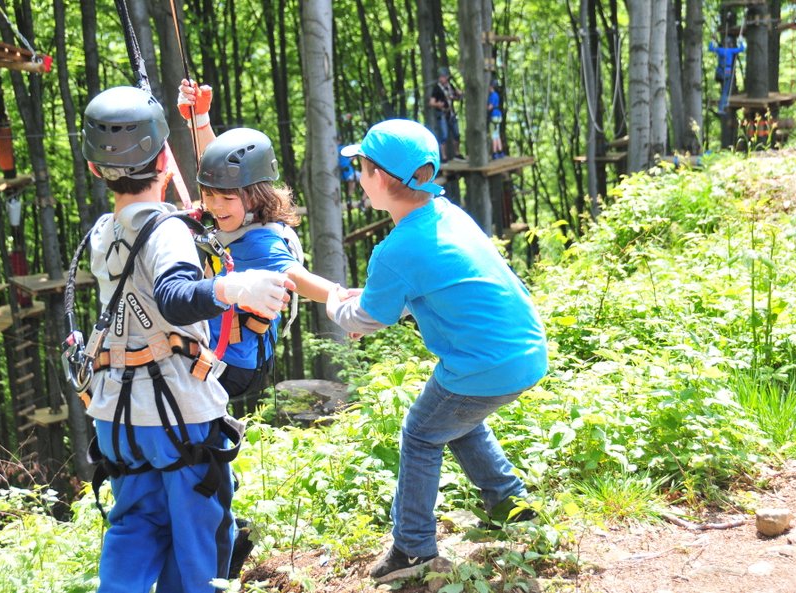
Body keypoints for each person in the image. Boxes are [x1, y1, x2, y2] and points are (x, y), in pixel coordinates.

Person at [80, 85, 294, 593]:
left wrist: (196, 126)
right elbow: (175, 295)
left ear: (94, 169)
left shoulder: (102, 232)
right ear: (162, 159)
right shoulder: (171, 230)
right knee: (199, 538)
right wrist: (232, 286)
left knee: (133, 526)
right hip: (179, 417)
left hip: (116, 414)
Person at [330, 119, 548, 584]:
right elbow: (434, 285)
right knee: (455, 418)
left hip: (485, 363)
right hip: (525, 349)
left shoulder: (395, 250)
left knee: (422, 433)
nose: (357, 175)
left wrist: (336, 304)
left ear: (382, 179)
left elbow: (368, 319)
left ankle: (412, 548)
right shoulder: (446, 214)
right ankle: (511, 504)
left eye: (361, 167)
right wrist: (368, 300)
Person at [178, 81, 347, 416]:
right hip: (235, 356)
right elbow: (220, 169)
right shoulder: (246, 216)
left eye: (226, 198)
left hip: (229, 364)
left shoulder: (259, 242)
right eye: (209, 196)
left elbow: (296, 276)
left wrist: (341, 299)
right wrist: (199, 121)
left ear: (254, 195)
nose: (215, 206)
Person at [428, 67, 464, 162]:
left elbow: (455, 97)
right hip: (442, 114)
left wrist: (459, 94)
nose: (442, 78)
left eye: (444, 77)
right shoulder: (437, 88)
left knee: (456, 134)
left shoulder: (450, 86)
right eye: (441, 77)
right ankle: (443, 157)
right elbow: (431, 102)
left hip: (451, 114)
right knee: (443, 136)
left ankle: (457, 153)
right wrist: (438, 104)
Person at [487, 80, 504, 159]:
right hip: (498, 115)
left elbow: (490, 107)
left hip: (494, 116)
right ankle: (500, 151)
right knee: (497, 134)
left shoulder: (492, 95)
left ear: (491, 87)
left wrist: (485, 108)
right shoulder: (496, 95)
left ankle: (494, 152)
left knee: (494, 135)